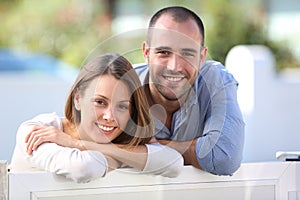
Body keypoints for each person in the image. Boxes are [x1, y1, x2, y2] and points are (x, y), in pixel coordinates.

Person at [11, 53, 183, 183]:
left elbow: (174, 163)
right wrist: (127, 158)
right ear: (77, 98)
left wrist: (79, 145)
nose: (109, 117)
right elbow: (84, 168)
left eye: (122, 106)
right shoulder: (36, 130)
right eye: (100, 102)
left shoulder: (114, 141)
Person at [134, 6, 245, 175]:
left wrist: (147, 148)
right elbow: (86, 146)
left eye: (187, 54)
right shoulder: (118, 86)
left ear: (202, 57)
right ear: (146, 53)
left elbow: (223, 157)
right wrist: (197, 149)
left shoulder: (215, 80)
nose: (174, 67)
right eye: (163, 52)